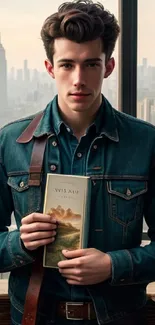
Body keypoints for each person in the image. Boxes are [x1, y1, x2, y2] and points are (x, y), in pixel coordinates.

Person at [0, 0, 155, 324]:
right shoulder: (11, 142)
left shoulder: (147, 142)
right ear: (49, 67)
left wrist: (114, 265)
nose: (78, 79)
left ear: (108, 67)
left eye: (91, 65)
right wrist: (20, 242)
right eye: (68, 65)